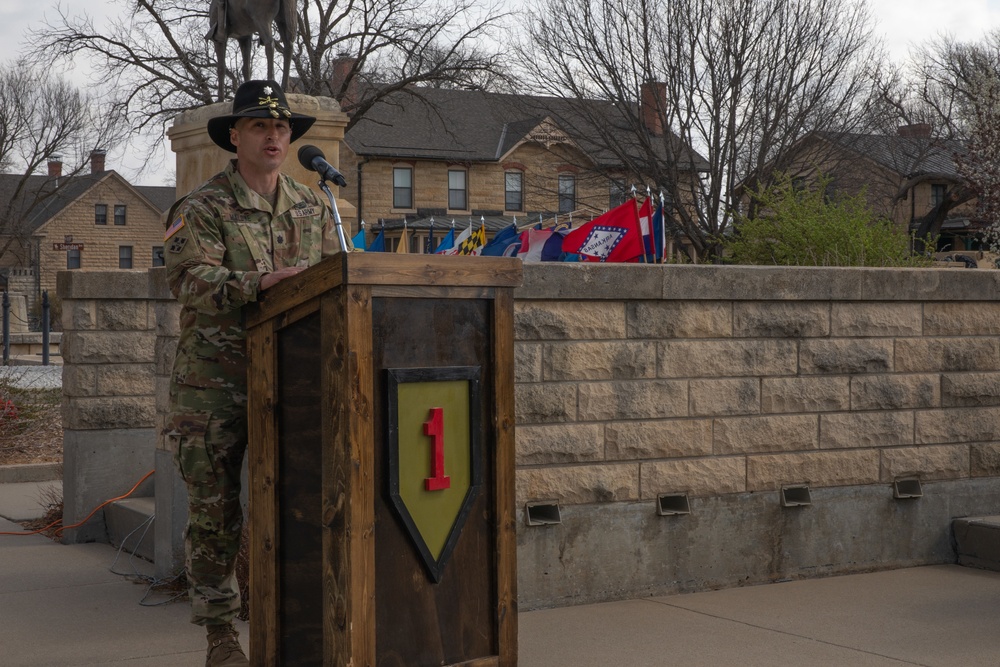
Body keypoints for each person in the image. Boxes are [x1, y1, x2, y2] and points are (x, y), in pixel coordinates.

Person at [164, 79, 350, 667]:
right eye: (260, 128)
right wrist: (257, 284)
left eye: (281, 128)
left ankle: (295, 615)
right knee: (216, 514)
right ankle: (220, 633)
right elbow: (189, 281)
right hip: (214, 387)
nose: (273, 137)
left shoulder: (313, 203)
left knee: (298, 502)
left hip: (291, 382)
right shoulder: (201, 207)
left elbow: (332, 281)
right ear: (236, 137)